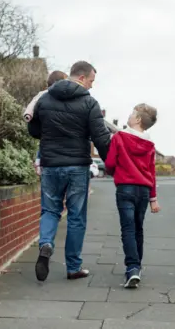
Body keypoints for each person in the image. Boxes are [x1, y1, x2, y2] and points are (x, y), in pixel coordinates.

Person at [28, 61, 111, 282]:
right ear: (82, 78)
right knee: (76, 216)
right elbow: (101, 137)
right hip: (77, 167)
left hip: (51, 165)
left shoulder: (44, 99)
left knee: (50, 210)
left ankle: (45, 244)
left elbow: (34, 130)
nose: (92, 86)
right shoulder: (89, 103)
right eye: (91, 81)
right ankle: (73, 267)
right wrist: (111, 164)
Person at [105, 103, 160, 289]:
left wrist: (117, 173)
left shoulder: (119, 137)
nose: (129, 115)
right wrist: (154, 198)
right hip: (143, 191)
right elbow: (152, 173)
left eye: (132, 113)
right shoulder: (150, 144)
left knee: (127, 229)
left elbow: (110, 163)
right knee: (138, 228)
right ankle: (137, 266)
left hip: (125, 188)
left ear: (137, 119)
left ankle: (132, 268)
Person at [23, 70, 69, 176]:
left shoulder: (44, 96)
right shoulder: (47, 95)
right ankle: (38, 160)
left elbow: (32, 104)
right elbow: (32, 104)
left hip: (47, 139)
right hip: (61, 149)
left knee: (44, 142)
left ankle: (39, 161)